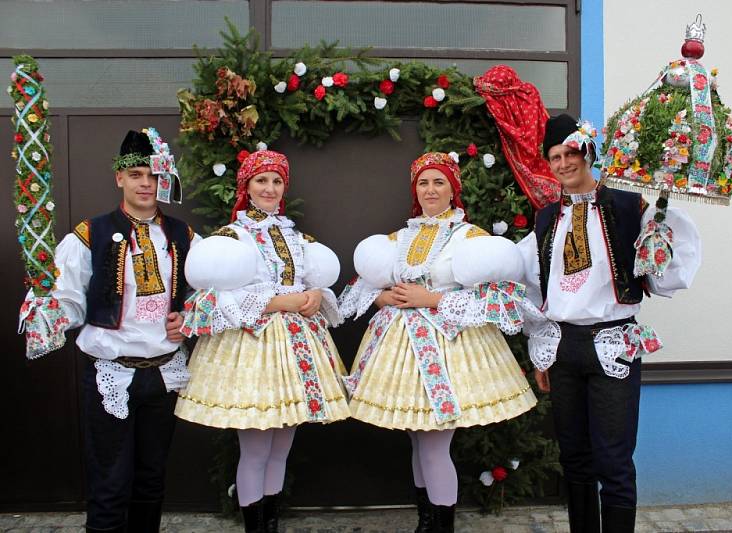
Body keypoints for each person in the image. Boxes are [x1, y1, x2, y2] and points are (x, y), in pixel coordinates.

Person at [339, 152, 539, 533]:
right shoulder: (400, 237)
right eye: (424, 183)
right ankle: (426, 522)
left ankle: (439, 527)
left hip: (448, 349)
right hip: (399, 350)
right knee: (418, 441)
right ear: (415, 189)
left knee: (433, 445)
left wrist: (432, 300)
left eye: (439, 182)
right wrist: (383, 298)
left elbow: (502, 298)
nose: (431, 190)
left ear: (453, 189)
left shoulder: (472, 237)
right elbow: (366, 284)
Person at [526, 115, 701, 533]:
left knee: (614, 461)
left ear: (587, 153)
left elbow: (660, 274)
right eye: (555, 157)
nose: (563, 163)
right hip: (562, 347)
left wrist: (660, 226)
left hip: (613, 345)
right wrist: (541, 351)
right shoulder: (546, 218)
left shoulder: (629, 207)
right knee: (574, 458)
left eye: (570, 153)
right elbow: (537, 287)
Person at [17, 128, 199, 532]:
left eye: (152, 175)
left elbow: (210, 291)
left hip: (165, 374)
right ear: (119, 178)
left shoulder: (185, 236)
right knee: (110, 484)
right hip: (110, 374)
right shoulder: (89, 234)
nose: (146, 183)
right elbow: (67, 297)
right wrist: (47, 310)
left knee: (152, 482)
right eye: (136, 174)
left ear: (163, 179)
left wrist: (189, 317)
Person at [175, 149, 350, 533]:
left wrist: (316, 295)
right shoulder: (231, 237)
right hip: (252, 347)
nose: (270, 188)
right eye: (261, 180)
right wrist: (276, 302)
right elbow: (208, 298)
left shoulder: (295, 236)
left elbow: (310, 280)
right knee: (255, 447)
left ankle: (270, 523)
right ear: (247, 186)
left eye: (276, 181)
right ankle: (255, 527)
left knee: (282, 443)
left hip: (296, 348)